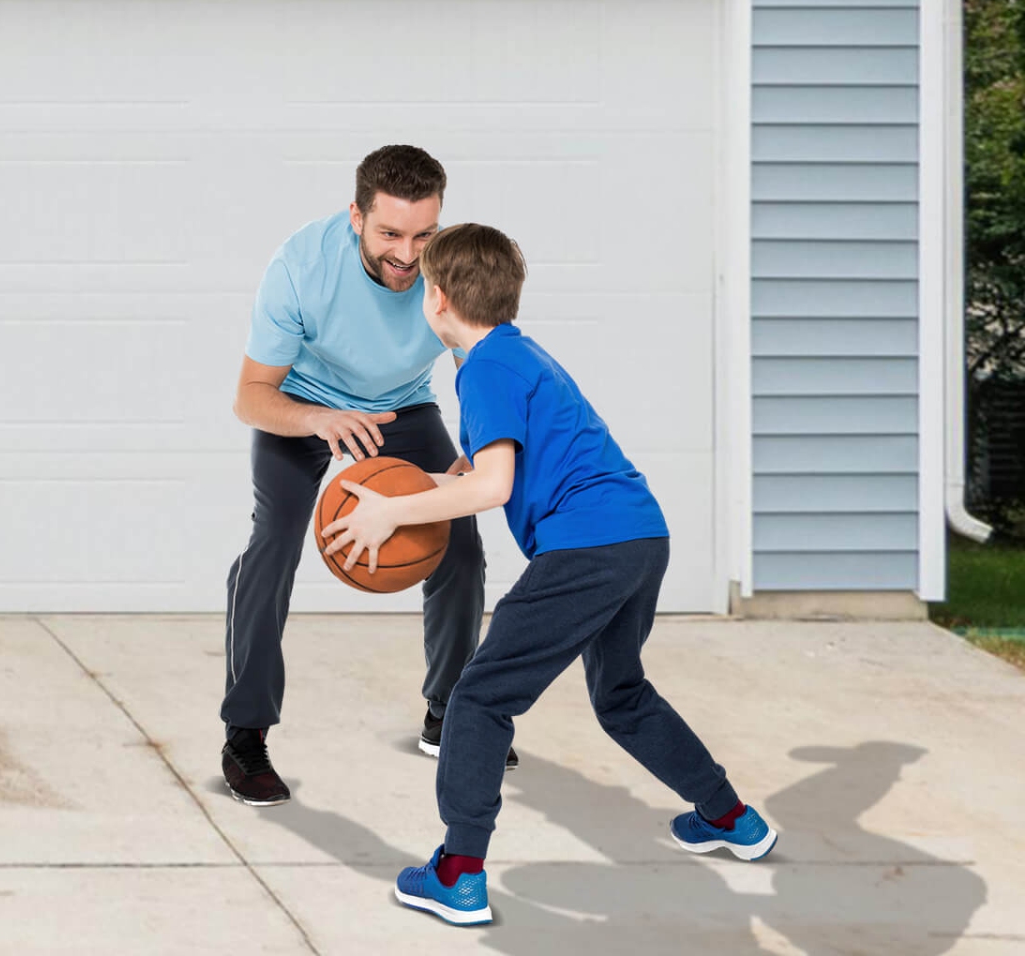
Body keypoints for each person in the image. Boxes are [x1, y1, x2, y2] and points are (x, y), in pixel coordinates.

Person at [322, 222, 776, 926]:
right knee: (622, 695)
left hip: (588, 547)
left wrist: (394, 511)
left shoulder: (485, 371)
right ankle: (732, 818)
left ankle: (458, 873)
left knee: (478, 700)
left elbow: (496, 486)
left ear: (435, 299)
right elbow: (494, 466)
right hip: (638, 535)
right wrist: (441, 481)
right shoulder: (519, 355)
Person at [221, 145, 516, 808]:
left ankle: (450, 715)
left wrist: (475, 449)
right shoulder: (301, 267)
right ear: (356, 216)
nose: (408, 256)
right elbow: (249, 396)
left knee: (460, 543)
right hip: (302, 401)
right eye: (389, 234)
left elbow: (485, 362)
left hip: (403, 403)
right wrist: (321, 418)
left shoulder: (451, 270)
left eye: (424, 235)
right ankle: (245, 734)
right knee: (273, 545)